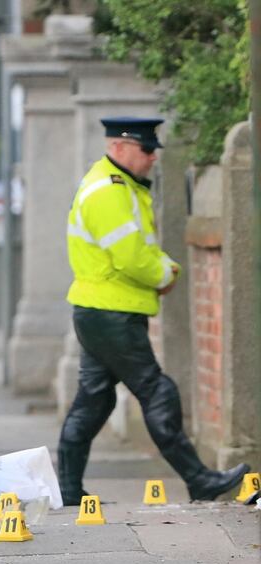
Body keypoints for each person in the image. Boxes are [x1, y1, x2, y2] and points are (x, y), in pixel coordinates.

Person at [58, 116, 249, 505]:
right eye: (146, 150)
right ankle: (200, 479)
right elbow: (132, 257)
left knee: (95, 401)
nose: (153, 159)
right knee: (157, 391)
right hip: (111, 312)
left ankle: (68, 490)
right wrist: (168, 272)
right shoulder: (109, 192)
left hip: (101, 311)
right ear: (118, 148)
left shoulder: (117, 185)